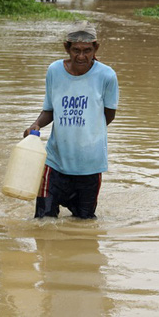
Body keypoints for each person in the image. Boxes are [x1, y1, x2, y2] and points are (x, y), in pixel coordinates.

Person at [24, 21, 119, 219]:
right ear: (67, 48)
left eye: (87, 50)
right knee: (43, 222)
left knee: (84, 224)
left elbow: (107, 116)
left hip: (89, 166)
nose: (81, 56)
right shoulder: (54, 71)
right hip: (55, 162)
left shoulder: (107, 76)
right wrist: (37, 124)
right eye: (76, 50)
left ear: (96, 48)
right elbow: (50, 110)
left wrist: (88, 131)